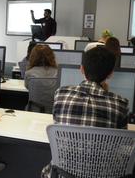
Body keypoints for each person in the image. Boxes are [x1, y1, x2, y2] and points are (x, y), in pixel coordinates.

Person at [41, 46, 128, 178]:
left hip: (62, 174)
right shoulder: (120, 103)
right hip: (103, 174)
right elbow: (123, 143)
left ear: (81, 69)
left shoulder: (61, 93)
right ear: (110, 74)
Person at [24, 45, 58, 112]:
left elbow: (29, 88)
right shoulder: (59, 73)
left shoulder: (29, 73)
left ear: (33, 57)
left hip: (34, 111)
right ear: (52, 56)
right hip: (55, 112)